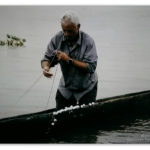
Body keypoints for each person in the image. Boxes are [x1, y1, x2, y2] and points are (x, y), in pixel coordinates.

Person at [41, 11, 98, 110]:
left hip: (86, 87)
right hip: (66, 87)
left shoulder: (88, 41)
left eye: (70, 31)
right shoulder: (57, 38)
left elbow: (91, 67)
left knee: (86, 118)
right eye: (64, 30)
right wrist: (46, 67)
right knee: (60, 116)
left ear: (78, 26)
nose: (66, 34)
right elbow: (46, 59)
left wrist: (68, 60)